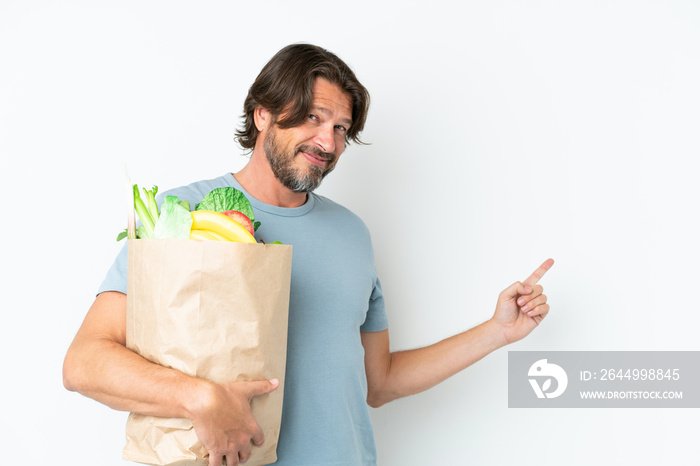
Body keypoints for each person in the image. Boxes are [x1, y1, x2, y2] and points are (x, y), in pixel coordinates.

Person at [63, 43, 553, 466]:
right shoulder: (181, 214)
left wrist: (496, 332)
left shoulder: (352, 234)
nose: (328, 141)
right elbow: (84, 363)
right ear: (262, 114)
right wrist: (199, 397)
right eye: (314, 117)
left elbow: (378, 383)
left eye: (341, 128)